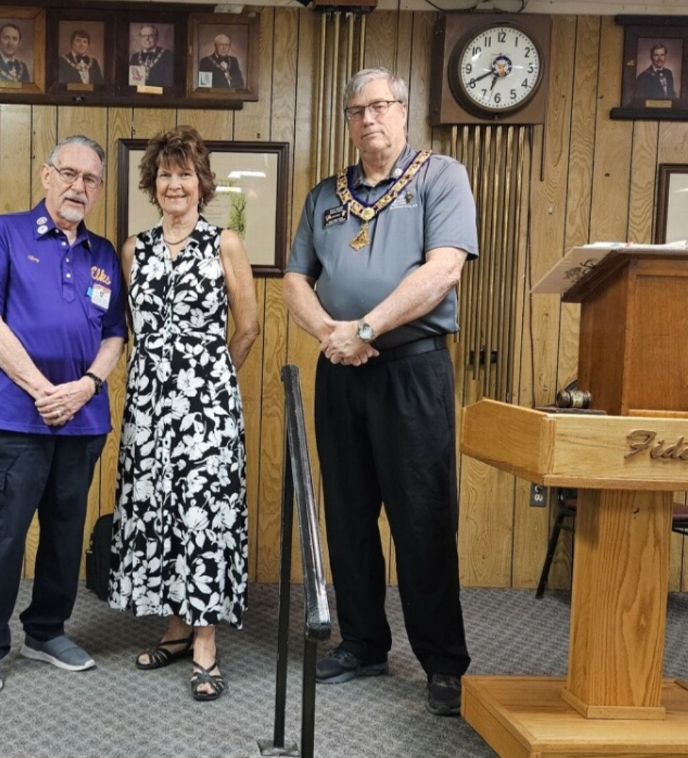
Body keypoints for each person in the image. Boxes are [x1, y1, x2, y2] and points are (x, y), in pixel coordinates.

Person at [283, 67, 477, 717]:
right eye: (357, 110)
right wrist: (335, 337)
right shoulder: (323, 196)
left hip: (412, 369)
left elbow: (443, 270)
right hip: (342, 372)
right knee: (347, 514)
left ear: (403, 111)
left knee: (422, 518)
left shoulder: (441, 177)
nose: (370, 118)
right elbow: (294, 283)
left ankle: (443, 662)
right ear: (347, 120)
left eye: (381, 106)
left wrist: (366, 327)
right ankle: (363, 642)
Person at [0, 135, 127, 693]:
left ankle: (47, 630)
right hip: (15, 419)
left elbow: (114, 336)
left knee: (64, 533)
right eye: (70, 174)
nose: (80, 187)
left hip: (83, 421)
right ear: (45, 175)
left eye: (91, 180)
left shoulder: (103, 254)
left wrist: (83, 388)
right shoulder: (4, 233)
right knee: (3, 536)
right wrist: (42, 390)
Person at [108, 126, 260, 702]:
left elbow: (246, 328)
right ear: (153, 184)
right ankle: (174, 629)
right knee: (157, 511)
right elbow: (130, 326)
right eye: (166, 174)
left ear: (202, 182)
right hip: (148, 406)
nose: (176, 183)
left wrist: (208, 381)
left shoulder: (225, 243)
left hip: (206, 409)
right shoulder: (133, 248)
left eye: (185, 173)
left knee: (202, 514)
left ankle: (205, 643)